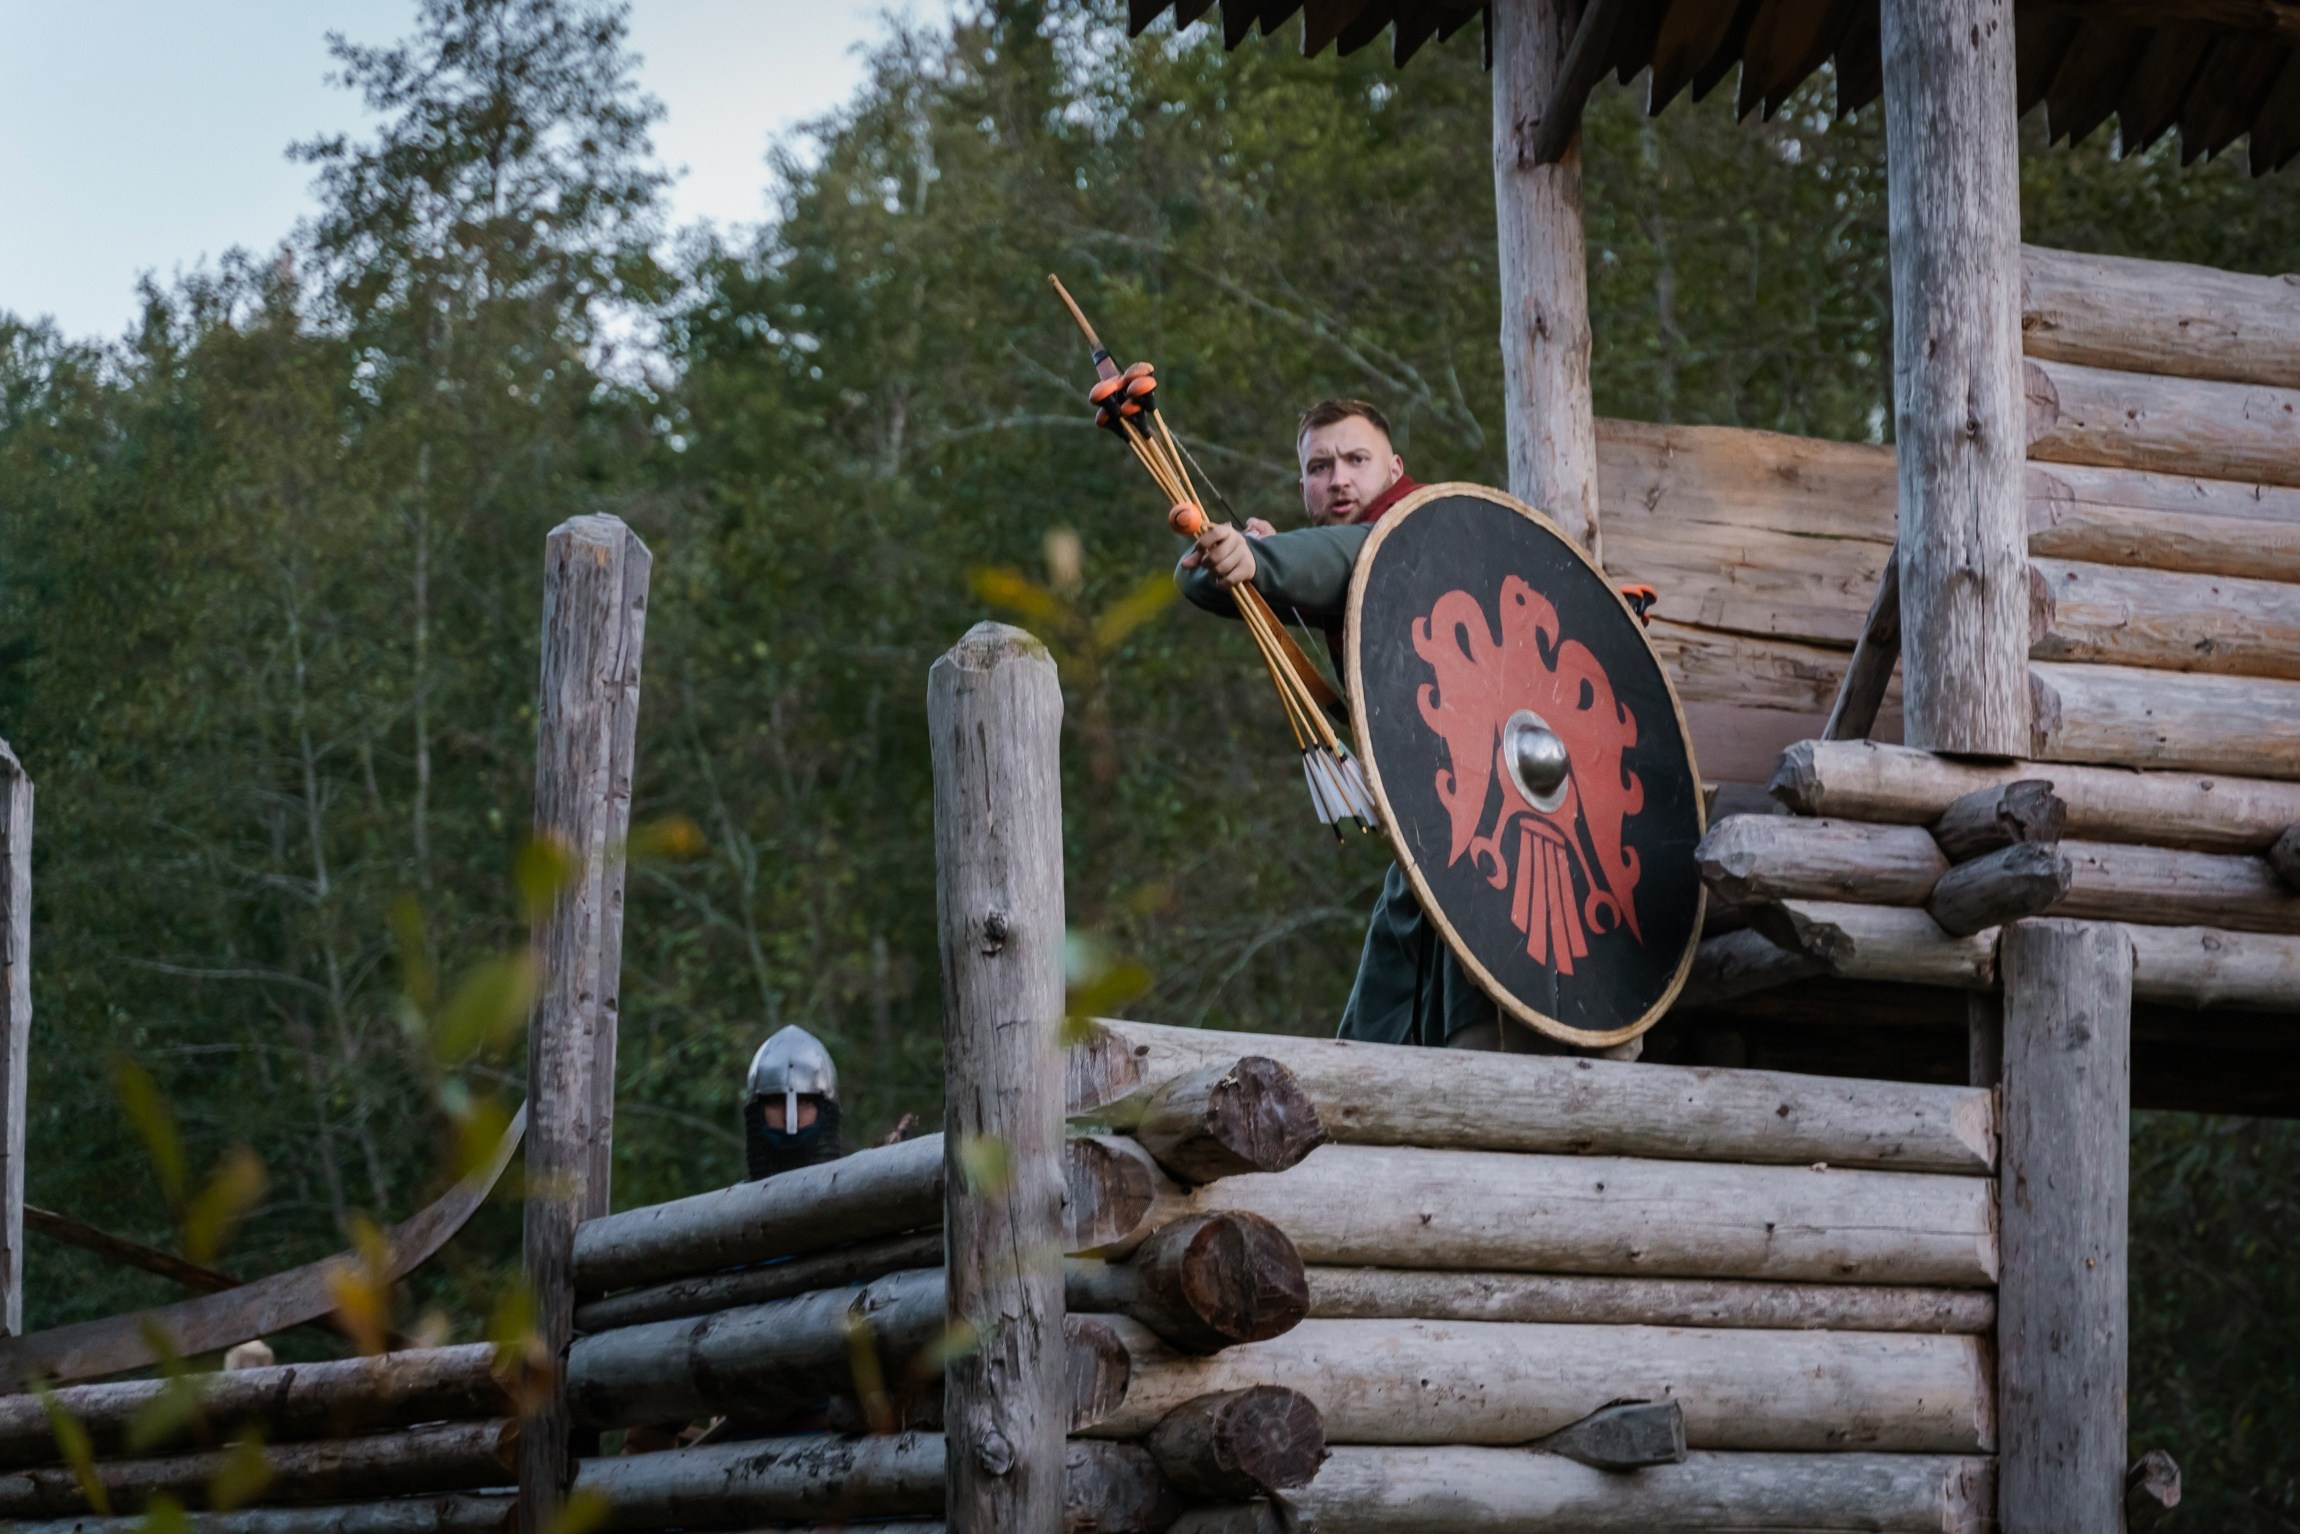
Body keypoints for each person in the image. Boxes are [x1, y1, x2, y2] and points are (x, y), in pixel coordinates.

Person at [1175, 398, 1542, 1053]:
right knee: (1390, 995)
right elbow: (1209, 584)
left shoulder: (1421, 526)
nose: (1338, 478)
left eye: (1355, 460)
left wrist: (1263, 560)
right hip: (1434, 825)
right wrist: (1246, 557)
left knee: (1469, 1005)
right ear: (1303, 487)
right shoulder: (1339, 561)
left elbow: (1355, 552)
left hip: (1501, 814)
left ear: (1393, 467)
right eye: (1320, 467)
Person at [741, 1024, 844, 1178]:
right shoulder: (737, 1201)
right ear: (757, 1111)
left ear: (825, 1109)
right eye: (776, 1102)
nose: (791, 1120)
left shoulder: (863, 1194)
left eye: (805, 1102)